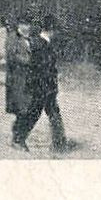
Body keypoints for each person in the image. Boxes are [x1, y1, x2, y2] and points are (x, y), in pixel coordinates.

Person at [14, 14, 72, 153]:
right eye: (56, 30)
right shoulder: (38, 44)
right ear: (51, 30)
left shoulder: (41, 42)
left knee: (50, 113)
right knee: (35, 113)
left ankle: (59, 143)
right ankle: (18, 139)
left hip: (45, 86)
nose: (57, 33)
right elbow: (38, 67)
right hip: (40, 86)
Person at [3, 19, 33, 124]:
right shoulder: (13, 37)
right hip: (17, 75)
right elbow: (12, 56)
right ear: (19, 25)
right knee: (20, 106)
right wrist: (28, 61)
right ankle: (18, 133)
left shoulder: (30, 38)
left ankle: (19, 131)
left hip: (28, 75)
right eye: (24, 24)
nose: (26, 27)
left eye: (28, 24)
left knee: (27, 105)